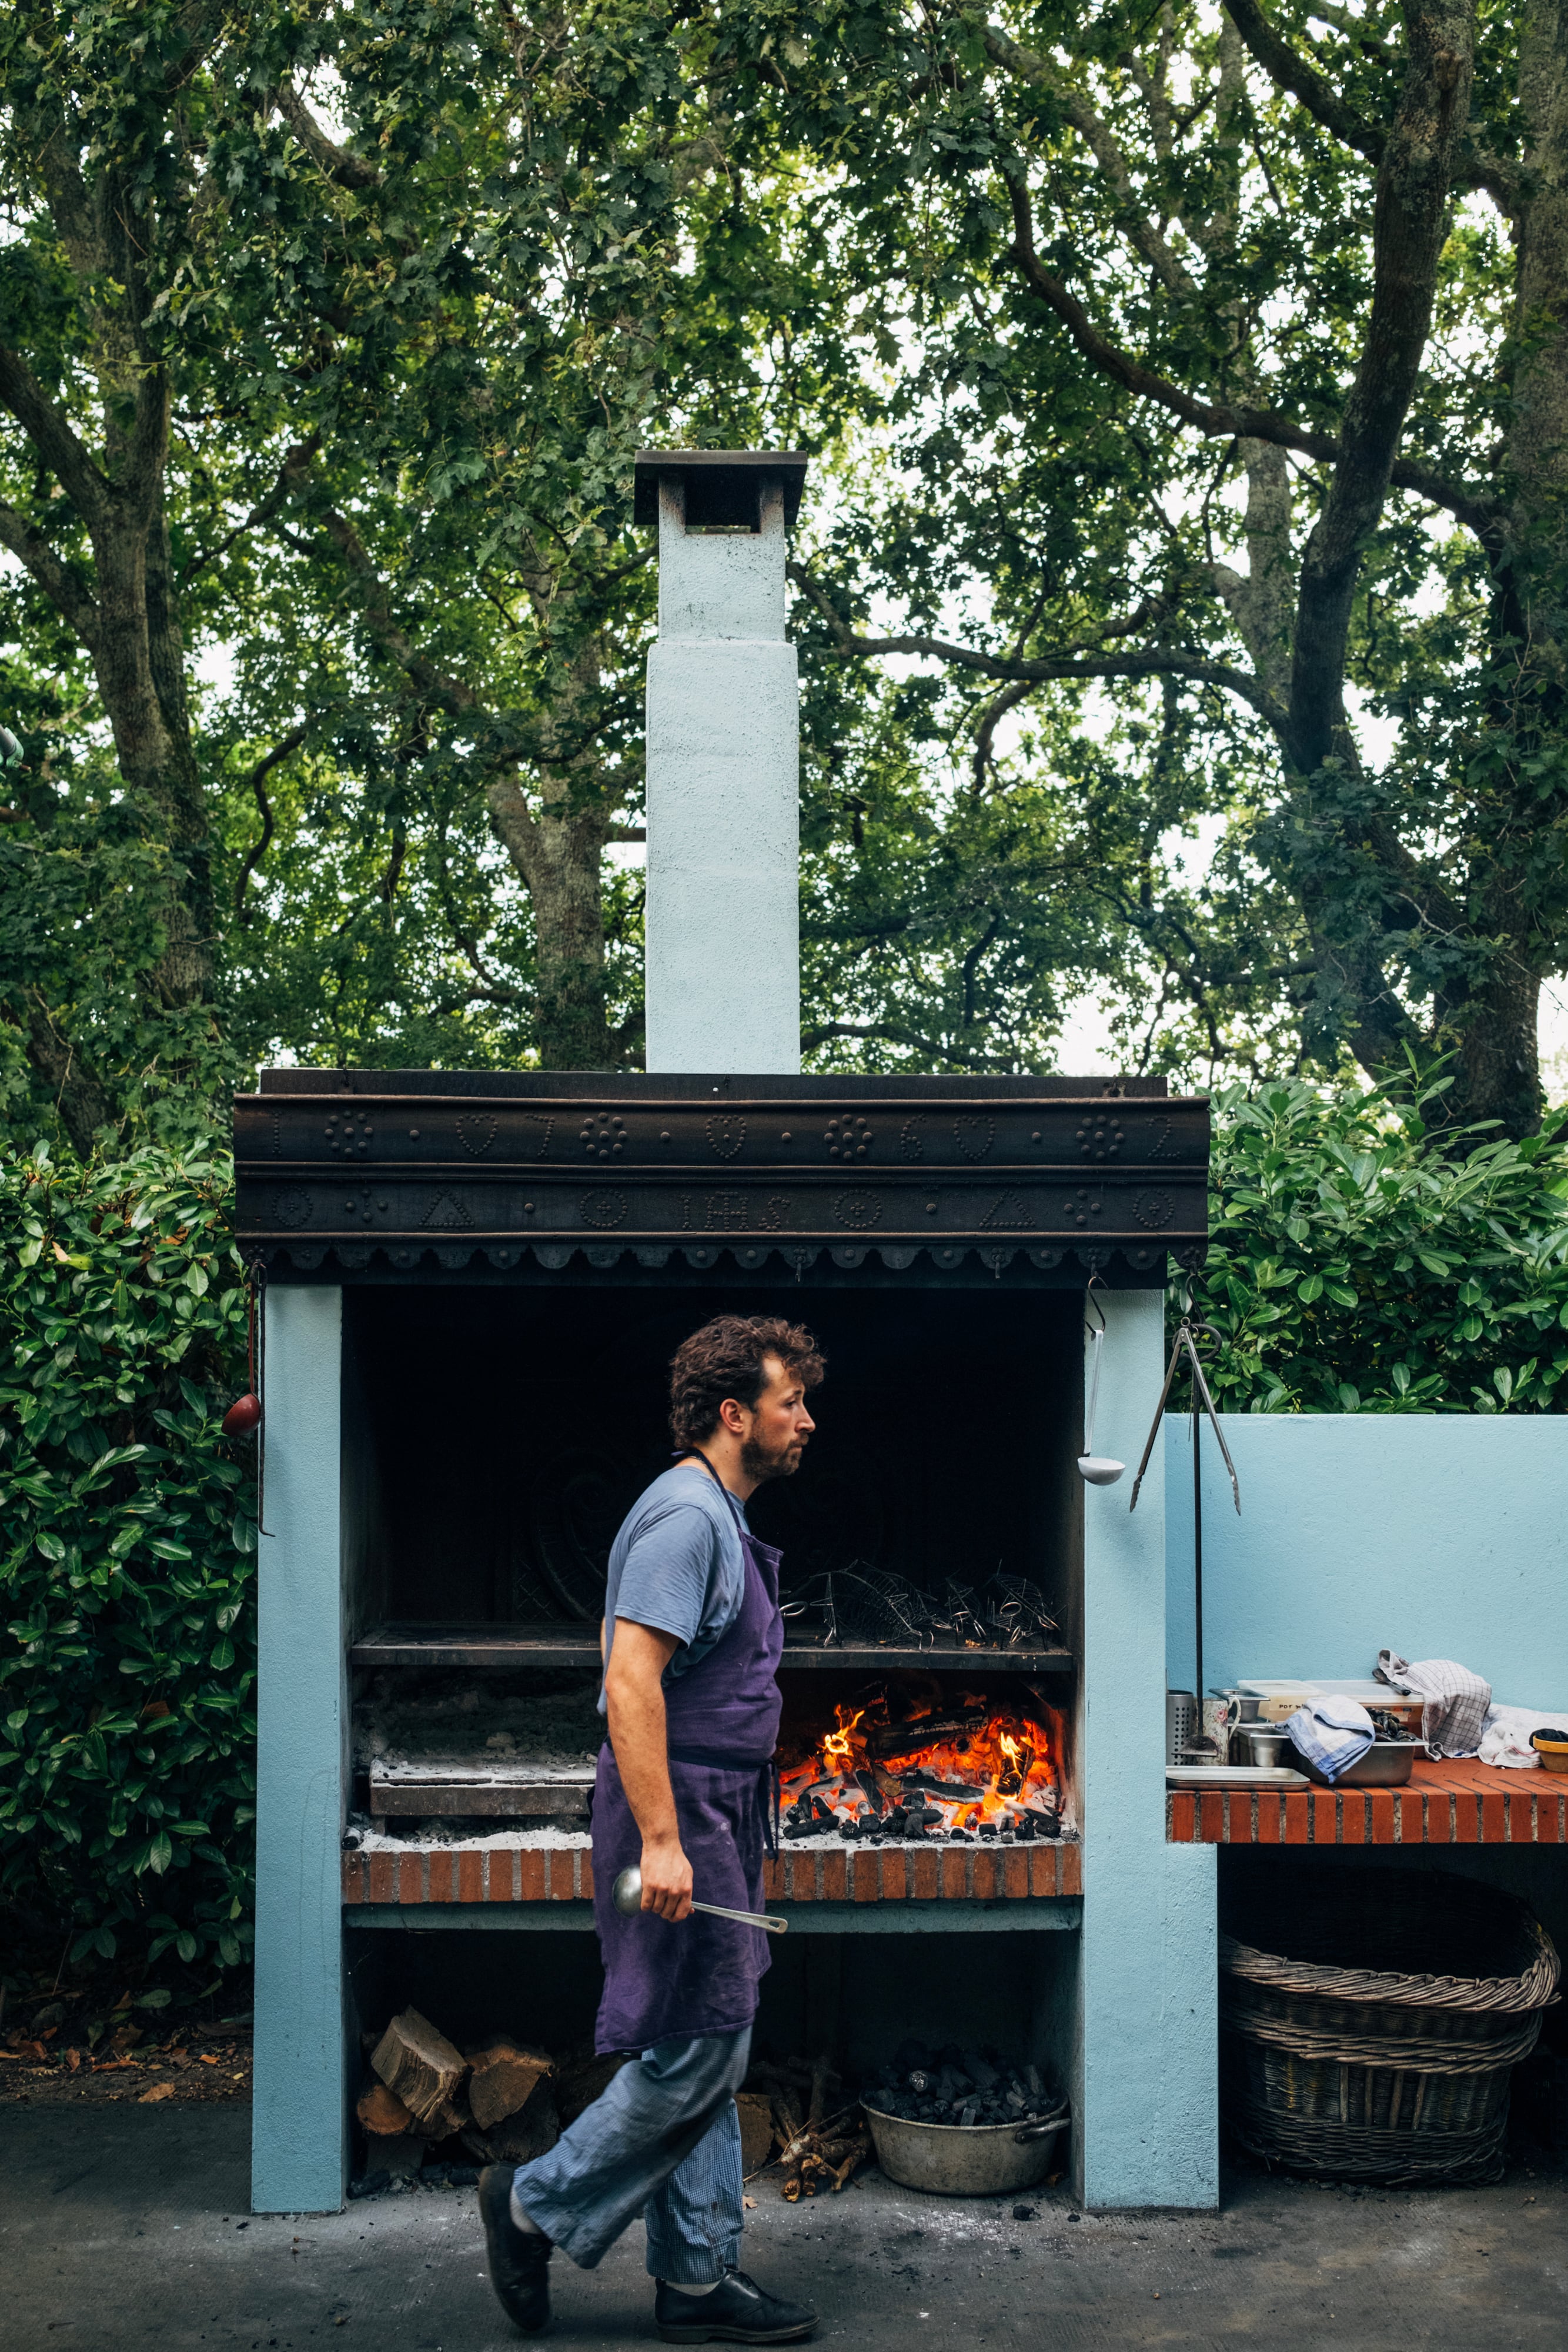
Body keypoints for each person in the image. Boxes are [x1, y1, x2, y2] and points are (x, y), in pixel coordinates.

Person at [479, 1312, 825, 2344]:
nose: (807, 1420)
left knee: (704, 2036)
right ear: (734, 1414)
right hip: (677, 1814)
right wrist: (668, 1841)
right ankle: (534, 2205)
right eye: (789, 1402)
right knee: (701, 2052)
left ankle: (696, 2277)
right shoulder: (687, 1518)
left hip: (712, 1808)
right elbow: (629, 1680)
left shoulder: (707, 1512)